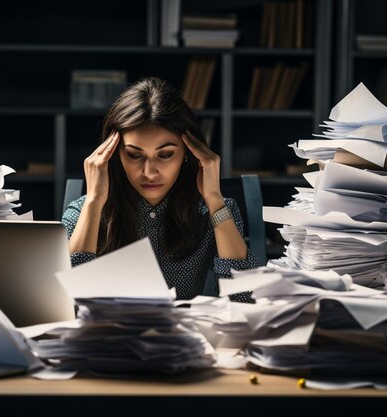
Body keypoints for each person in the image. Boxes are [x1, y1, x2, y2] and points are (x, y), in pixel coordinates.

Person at [61, 76, 258, 302]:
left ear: (187, 153)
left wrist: (214, 198)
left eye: (165, 155)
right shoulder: (83, 212)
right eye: (135, 155)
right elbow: (66, 304)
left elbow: (244, 299)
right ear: (115, 155)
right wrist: (94, 202)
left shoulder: (215, 212)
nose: (150, 172)